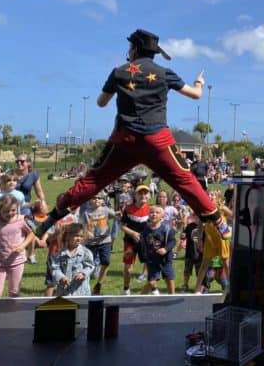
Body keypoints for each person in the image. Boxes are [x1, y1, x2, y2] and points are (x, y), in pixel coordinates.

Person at [25, 29, 224, 245]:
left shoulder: (119, 72)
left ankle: (47, 222)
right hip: (157, 140)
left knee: (93, 180)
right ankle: (218, 221)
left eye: (130, 47)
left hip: (124, 140)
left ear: (135, 49)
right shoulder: (165, 73)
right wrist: (199, 83)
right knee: (185, 179)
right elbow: (195, 95)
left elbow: (101, 103)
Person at [0, 195, 34, 297]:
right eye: (6, 211)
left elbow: (31, 234)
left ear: (17, 208)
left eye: (13, 210)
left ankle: (14, 311)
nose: (10, 213)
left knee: (14, 291)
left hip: (17, 261)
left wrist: (22, 245)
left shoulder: (21, 220)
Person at [81, 191, 116, 295]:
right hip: (90, 243)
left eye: (99, 198)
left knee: (106, 262)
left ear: (102, 201)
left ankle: (98, 284)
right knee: (88, 264)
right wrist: (87, 232)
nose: (97, 200)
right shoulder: (86, 212)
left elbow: (116, 215)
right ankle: (84, 285)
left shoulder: (105, 210)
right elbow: (82, 226)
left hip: (105, 240)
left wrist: (119, 214)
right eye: (94, 198)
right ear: (90, 201)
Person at [120, 184, 152, 295]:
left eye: (145, 193)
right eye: (140, 193)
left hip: (146, 242)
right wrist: (133, 233)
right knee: (128, 268)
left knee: (150, 265)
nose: (143, 195)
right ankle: (126, 288)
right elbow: (122, 226)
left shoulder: (151, 209)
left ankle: (153, 288)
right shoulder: (128, 209)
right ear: (135, 195)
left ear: (149, 196)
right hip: (130, 242)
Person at [50, 223, 94, 297]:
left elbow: (90, 266)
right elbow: (55, 268)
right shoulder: (60, 254)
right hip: (64, 291)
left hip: (81, 291)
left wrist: (83, 273)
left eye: (81, 236)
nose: (79, 238)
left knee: (81, 308)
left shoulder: (85, 252)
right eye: (76, 235)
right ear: (68, 236)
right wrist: (61, 277)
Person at [140, 205, 176, 295]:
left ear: (162, 216)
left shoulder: (167, 229)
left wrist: (166, 249)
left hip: (165, 259)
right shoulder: (145, 230)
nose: (154, 214)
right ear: (148, 215)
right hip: (152, 260)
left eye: (157, 213)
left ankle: (172, 296)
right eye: (152, 212)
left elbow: (173, 241)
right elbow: (140, 243)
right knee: (151, 282)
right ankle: (140, 297)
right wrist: (132, 250)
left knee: (169, 279)